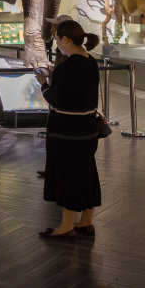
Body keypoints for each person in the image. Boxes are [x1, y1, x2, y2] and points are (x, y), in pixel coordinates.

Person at [35, 19, 101, 238]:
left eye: (56, 39)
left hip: (67, 131)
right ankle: (86, 221)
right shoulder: (90, 61)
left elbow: (56, 100)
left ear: (65, 39)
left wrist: (44, 83)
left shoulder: (66, 66)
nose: (56, 43)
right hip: (88, 128)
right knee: (87, 173)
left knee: (69, 176)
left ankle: (66, 226)